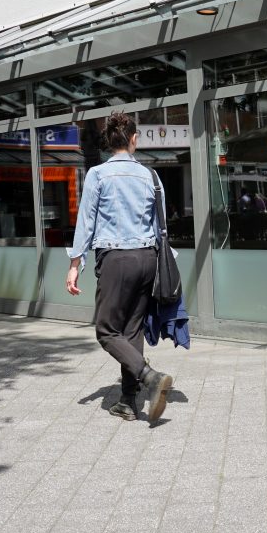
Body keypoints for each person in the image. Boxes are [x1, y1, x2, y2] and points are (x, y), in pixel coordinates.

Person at [66, 111, 174, 423]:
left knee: (106, 330)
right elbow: (160, 224)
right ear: (133, 139)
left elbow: (85, 222)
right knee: (132, 328)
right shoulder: (150, 176)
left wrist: (76, 264)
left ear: (110, 142)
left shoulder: (97, 175)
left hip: (117, 258)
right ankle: (128, 401)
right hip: (147, 258)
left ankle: (149, 377)